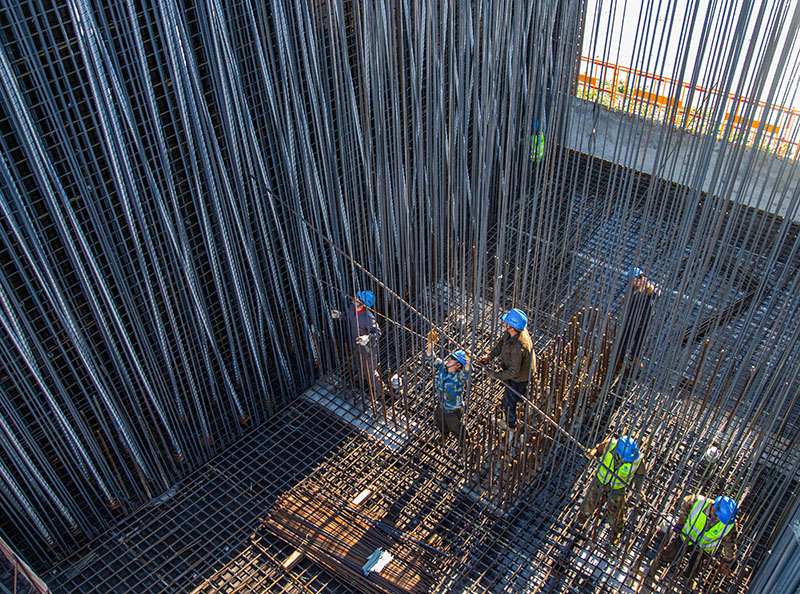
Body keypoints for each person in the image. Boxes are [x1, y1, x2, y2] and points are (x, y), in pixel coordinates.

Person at [650, 495, 738, 588]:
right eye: (718, 517)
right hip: (687, 537)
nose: (719, 520)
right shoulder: (699, 502)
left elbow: (730, 544)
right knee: (668, 554)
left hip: (703, 548)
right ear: (714, 508)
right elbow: (685, 504)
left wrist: (727, 562)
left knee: (694, 570)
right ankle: (653, 569)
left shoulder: (730, 525)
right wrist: (681, 522)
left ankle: (687, 583)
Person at [577, 435, 646, 544]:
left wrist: (639, 490)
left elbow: (639, 476)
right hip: (600, 481)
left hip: (617, 488)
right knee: (590, 501)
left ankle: (615, 533)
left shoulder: (637, 460)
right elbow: (598, 450)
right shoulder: (609, 445)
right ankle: (582, 518)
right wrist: (592, 453)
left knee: (616, 512)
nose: (625, 460)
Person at [478, 308, 534, 431]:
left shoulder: (518, 346)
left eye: (506, 322)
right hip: (521, 370)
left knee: (509, 399)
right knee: (518, 392)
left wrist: (495, 375)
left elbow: (513, 372)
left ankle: (511, 424)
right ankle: (520, 398)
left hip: (520, 376)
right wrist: (489, 356)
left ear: (511, 326)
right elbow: (501, 344)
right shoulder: (513, 333)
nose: (504, 323)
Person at [331, 290, 383, 395]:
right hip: (356, 345)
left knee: (371, 371)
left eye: (357, 297)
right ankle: (363, 380)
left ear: (362, 304)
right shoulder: (352, 309)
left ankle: (379, 391)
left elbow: (377, 332)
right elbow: (348, 317)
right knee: (359, 365)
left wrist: (367, 338)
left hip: (368, 349)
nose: (353, 297)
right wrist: (340, 315)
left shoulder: (368, 317)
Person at [425, 341, 471, 446]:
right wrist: (430, 344)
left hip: (453, 409)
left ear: (458, 365)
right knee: (439, 421)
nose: (449, 359)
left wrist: (468, 360)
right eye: (450, 357)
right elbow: (430, 358)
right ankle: (444, 434)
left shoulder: (460, 376)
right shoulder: (443, 367)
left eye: (453, 359)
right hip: (441, 404)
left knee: (456, 427)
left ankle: (465, 443)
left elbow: (468, 371)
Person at [615, 268, 658, 374]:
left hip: (644, 322)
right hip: (631, 322)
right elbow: (634, 301)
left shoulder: (648, 288)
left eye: (641, 277)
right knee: (625, 342)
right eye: (637, 278)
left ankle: (635, 357)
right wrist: (642, 291)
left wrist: (651, 291)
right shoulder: (633, 293)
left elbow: (658, 294)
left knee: (640, 341)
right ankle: (619, 362)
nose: (641, 279)